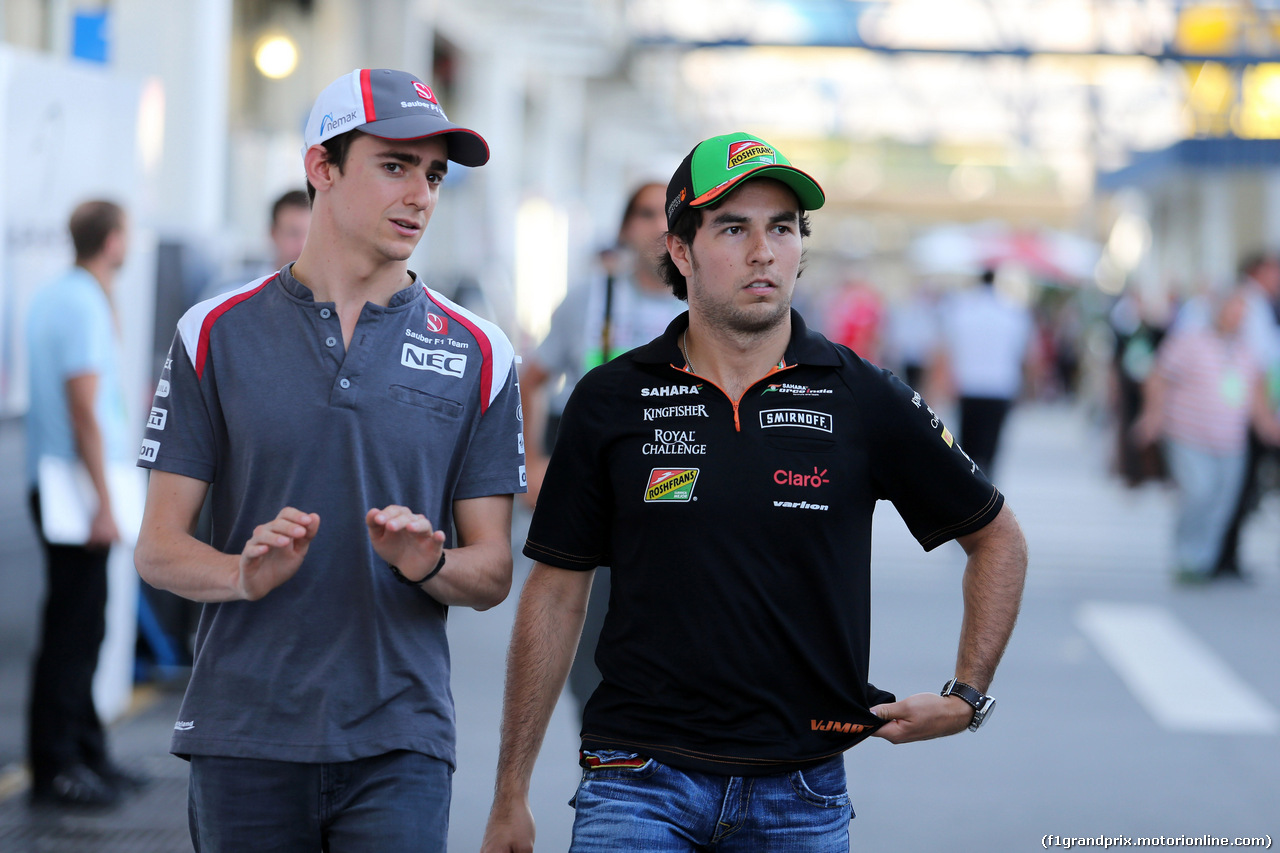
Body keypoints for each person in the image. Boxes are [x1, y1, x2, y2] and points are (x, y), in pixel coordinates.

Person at [481, 132, 1028, 852]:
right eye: (734, 228)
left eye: (782, 228)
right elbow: (554, 593)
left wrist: (967, 695)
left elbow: (997, 538)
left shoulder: (860, 394)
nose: (763, 251)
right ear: (681, 249)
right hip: (635, 776)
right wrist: (510, 792)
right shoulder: (611, 398)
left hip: (801, 790)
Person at [133, 68, 525, 851]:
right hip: (242, 734)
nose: (420, 194)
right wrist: (241, 573)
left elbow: (491, 572)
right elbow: (158, 547)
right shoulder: (213, 331)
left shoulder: (482, 350)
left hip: (402, 741)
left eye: (434, 174)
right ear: (322, 167)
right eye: (395, 164)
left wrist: (428, 561)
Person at [518, 181, 684, 713]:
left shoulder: (711, 303)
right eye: (642, 213)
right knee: (585, 650)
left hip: (677, 495)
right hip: (597, 492)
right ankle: (605, 768)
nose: (656, 226)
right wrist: (532, 462)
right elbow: (531, 379)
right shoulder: (591, 298)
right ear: (622, 227)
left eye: (670, 213)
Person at [23, 200, 146, 808]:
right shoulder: (84, 301)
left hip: (60, 484)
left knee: (83, 623)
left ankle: (87, 752)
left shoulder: (59, 295)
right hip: (76, 490)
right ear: (112, 241)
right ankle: (58, 766)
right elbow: (84, 409)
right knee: (75, 629)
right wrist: (104, 499)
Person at [1134, 286, 1280, 584]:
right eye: (1232, 309)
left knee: (1222, 501)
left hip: (1231, 441)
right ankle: (1186, 556)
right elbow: (1158, 377)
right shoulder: (1189, 342)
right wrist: (1152, 416)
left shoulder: (1247, 351)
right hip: (1188, 435)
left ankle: (1203, 561)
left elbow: (1256, 397)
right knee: (1199, 492)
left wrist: (1268, 425)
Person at [936, 267, 1034, 480]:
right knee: (991, 444)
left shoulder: (962, 309)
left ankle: (971, 487)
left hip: (969, 384)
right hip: (1000, 386)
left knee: (967, 444)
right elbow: (1024, 354)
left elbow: (947, 350)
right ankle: (988, 489)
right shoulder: (1012, 312)